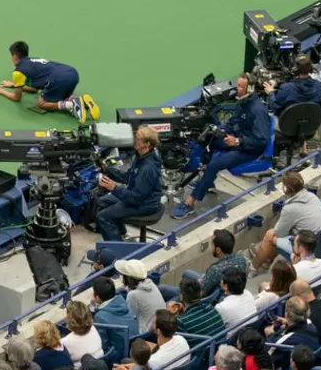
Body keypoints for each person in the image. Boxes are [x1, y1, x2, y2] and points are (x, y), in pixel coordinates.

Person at [175, 73, 271, 215]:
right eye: (237, 84)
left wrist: (238, 141)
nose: (236, 89)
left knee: (214, 165)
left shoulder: (257, 111)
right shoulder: (243, 101)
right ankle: (208, 181)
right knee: (208, 139)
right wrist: (220, 130)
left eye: (240, 86)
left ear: (250, 89)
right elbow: (233, 123)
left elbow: (261, 141)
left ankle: (190, 202)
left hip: (250, 149)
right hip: (237, 139)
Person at [92, 127, 165, 243]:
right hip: (137, 197)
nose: (135, 141)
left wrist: (114, 188)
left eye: (138, 139)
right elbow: (128, 177)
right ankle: (120, 233)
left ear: (147, 144)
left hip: (144, 205)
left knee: (103, 216)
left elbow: (135, 198)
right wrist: (106, 170)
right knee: (102, 201)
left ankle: (119, 252)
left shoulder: (147, 168)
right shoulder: (141, 156)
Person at [0, 41, 98, 118]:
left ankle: (72, 105)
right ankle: (80, 101)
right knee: (59, 95)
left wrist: (1, 91)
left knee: (40, 104)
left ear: (14, 56)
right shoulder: (34, 60)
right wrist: (15, 85)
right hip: (72, 74)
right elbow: (34, 89)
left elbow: (16, 98)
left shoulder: (18, 72)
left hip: (58, 80)